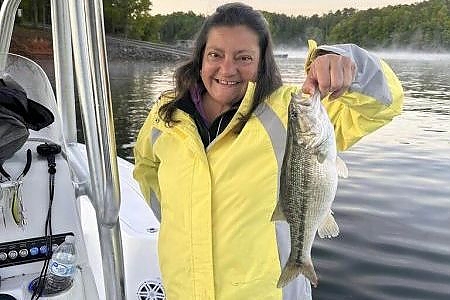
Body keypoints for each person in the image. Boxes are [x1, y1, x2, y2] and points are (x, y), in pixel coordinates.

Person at [133, 2, 403, 300]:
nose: (227, 69)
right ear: (200, 59)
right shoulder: (167, 114)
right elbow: (147, 170)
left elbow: (384, 105)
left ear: (262, 64)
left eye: (244, 57)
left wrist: (349, 63)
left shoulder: (292, 110)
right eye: (215, 55)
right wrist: (182, 220)